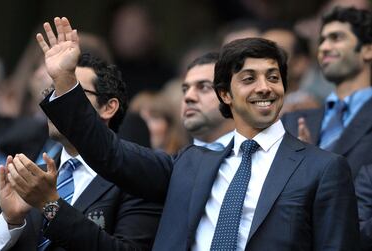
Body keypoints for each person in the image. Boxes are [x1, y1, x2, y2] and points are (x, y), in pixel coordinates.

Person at [24, 17, 358, 250]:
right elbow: (109, 154)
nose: (264, 87)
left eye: (273, 77)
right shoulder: (189, 164)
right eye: (249, 78)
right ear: (226, 94)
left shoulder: (322, 169)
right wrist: (66, 82)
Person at [0, 53, 162, 250]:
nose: (54, 103)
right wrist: (10, 221)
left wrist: (51, 206)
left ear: (108, 108)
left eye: (69, 94)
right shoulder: (27, 177)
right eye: (52, 92)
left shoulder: (137, 179)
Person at [282, 6, 372, 178]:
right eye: (321, 40)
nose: (324, 47)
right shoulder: (292, 121)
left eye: (336, 38)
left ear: (367, 50)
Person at [181, 52, 234, 150]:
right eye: (185, 89)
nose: (188, 97)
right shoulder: (175, 163)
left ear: (229, 94)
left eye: (203, 87)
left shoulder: (261, 157)